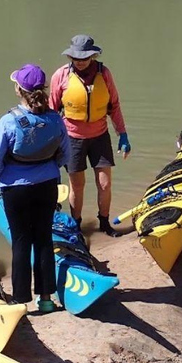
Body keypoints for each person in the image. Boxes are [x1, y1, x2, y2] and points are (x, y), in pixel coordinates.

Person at [0, 64, 70, 313]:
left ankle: (20, 299)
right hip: (47, 185)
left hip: (16, 189)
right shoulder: (56, 119)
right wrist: (46, 169)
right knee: (43, 238)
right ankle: (46, 299)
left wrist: (9, 176)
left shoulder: (8, 121)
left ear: (18, 90)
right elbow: (65, 155)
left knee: (21, 241)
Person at [50, 34, 131, 238]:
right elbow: (51, 111)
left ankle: (104, 222)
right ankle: (76, 227)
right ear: (71, 57)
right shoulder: (60, 76)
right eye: (76, 58)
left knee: (104, 183)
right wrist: (51, 143)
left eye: (85, 57)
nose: (80, 61)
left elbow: (114, 105)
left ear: (92, 56)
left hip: (100, 136)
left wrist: (122, 134)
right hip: (72, 138)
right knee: (77, 184)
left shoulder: (104, 74)